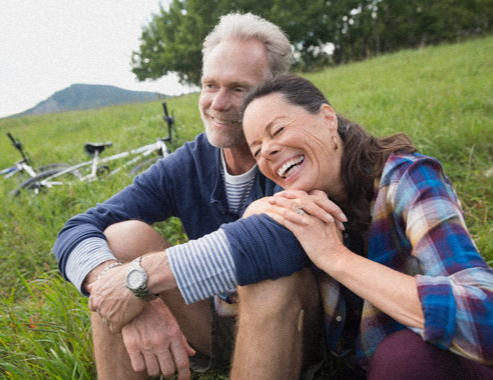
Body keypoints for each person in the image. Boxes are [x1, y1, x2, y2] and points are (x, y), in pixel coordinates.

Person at [91, 74, 493, 379]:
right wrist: (136, 286)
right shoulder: (300, 198)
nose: (269, 151)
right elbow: (241, 284)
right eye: (257, 148)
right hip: (348, 359)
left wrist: (335, 258)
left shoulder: (407, 179)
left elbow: (485, 317)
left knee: (404, 358)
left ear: (328, 119)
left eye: (278, 131)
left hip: (435, 359)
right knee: (122, 247)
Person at [55, 13, 340, 380]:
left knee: (272, 281)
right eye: (209, 85)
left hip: (296, 326)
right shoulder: (188, 162)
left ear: (272, 91)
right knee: (120, 239)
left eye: (238, 89)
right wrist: (115, 282)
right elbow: (78, 228)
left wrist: (141, 279)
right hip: (214, 319)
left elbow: (286, 243)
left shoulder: (296, 150)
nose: (217, 103)